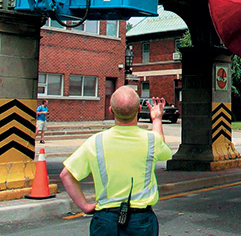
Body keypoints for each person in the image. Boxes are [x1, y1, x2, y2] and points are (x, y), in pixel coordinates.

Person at [60, 87, 172, 235]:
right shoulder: (151, 140)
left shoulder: (95, 142)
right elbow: (163, 150)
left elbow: (66, 175)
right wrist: (157, 119)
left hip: (105, 219)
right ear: (139, 109)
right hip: (141, 220)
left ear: (111, 110)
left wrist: (86, 206)